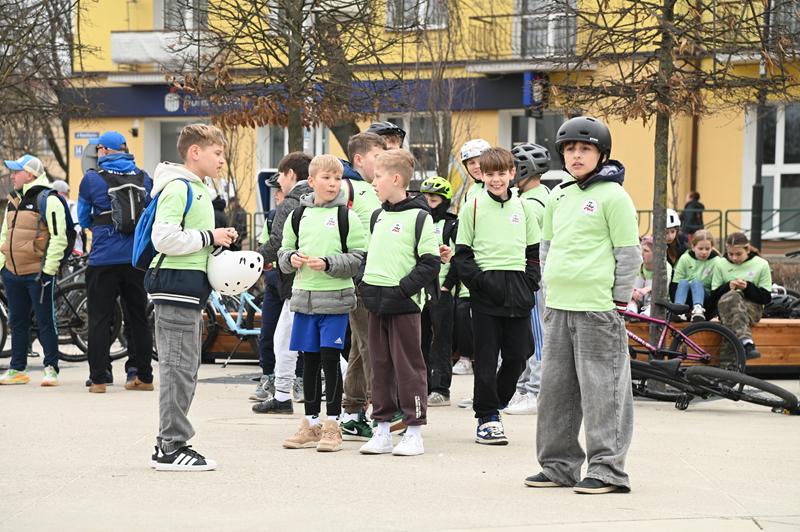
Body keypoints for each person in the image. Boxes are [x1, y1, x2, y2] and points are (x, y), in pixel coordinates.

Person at [528, 116, 641, 494]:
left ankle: (607, 470)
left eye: (585, 149)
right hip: (558, 307)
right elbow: (547, 247)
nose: (576, 155)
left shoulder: (614, 196)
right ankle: (558, 465)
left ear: (601, 154)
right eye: (570, 149)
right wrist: (548, 292)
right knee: (555, 393)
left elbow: (628, 254)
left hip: (597, 310)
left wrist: (617, 301)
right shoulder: (558, 195)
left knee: (603, 393)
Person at [146, 124, 238, 471]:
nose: (222, 161)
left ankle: (170, 444)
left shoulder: (197, 188)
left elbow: (189, 240)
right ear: (195, 152)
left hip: (186, 290)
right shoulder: (178, 187)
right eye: (217, 153)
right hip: (175, 289)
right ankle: (171, 447)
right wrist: (209, 236)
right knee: (178, 370)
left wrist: (215, 240)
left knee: (184, 369)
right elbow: (164, 239)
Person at [278, 154, 366, 452]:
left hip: (336, 301)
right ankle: (311, 423)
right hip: (304, 300)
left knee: (330, 360)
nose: (332, 184)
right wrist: (290, 259)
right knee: (310, 362)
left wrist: (329, 263)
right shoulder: (297, 216)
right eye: (326, 178)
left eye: (337, 178)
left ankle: (333, 424)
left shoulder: (347, 217)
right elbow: (283, 252)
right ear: (311, 181)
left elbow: (358, 257)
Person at [454, 147, 540, 445]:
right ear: (482, 175)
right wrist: (480, 282)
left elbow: (533, 252)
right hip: (485, 292)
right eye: (490, 174)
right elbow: (462, 255)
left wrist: (530, 281)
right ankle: (487, 417)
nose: (496, 179)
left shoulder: (524, 207)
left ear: (512, 173)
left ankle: (498, 401)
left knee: (519, 354)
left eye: (501, 173)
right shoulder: (473, 207)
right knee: (487, 358)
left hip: (518, 288)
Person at [358, 149, 440, 457]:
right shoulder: (377, 216)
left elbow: (430, 263)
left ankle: (414, 431)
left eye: (378, 176)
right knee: (380, 367)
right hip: (376, 304)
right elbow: (370, 255)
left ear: (395, 179)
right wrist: (364, 283)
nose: (373, 182)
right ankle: (381, 430)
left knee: (408, 368)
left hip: (404, 306)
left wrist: (403, 289)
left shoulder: (420, 217)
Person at [78, 131, 155, 392]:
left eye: (98, 149)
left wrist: (101, 228)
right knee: (138, 317)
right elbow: (151, 213)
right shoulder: (143, 177)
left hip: (103, 259)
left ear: (105, 150)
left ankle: (99, 379)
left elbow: (83, 217)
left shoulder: (92, 179)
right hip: (135, 259)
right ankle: (142, 376)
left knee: (100, 318)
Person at [0, 155, 69, 386]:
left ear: (29, 174)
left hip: (38, 274)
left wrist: (48, 271)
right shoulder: (13, 200)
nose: (12, 176)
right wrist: (2, 266)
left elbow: (59, 237)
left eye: (16, 172)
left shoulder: (49, 199)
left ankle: (51, 369)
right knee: (17, 322)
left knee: (45, 321)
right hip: (12, 272)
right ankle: (17, 369)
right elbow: (4, 235)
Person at [253, 152, 312, 414]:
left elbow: (277, 241)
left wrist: (254, 260)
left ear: (290, 174)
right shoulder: (317, 200)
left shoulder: (290, 203)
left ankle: (283, 396)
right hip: (310, 279)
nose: (279, 182)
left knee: (290, 341)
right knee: (286, 339)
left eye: (280, 176)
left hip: (295, 280)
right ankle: (282, 395)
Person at [340, 132, 386, 440]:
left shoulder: (370, 188)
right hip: (359, 275)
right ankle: (381, 406)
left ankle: (353, 411)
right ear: (359, 159)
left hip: (374, 274)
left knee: (360, 344)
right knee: (372, 342)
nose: (381, 164)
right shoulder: (347, 187)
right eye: (376, 158)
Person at [505, 142, 551, 416]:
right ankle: (523, 388)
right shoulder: (543, 196)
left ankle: (536, 392)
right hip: (535, 274)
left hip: (531, 276)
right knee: (529, 334)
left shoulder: (530, 205)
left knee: (536, 334)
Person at [452, 138, 491, 381]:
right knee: (467, 316)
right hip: (472, 266)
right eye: (470, 163)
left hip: (494, 266)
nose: (476, 167)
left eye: (479, 161)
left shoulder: (497, 186)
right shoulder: (470, 193)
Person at [419, 176, 458, 407]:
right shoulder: (418, 220)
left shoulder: (452, 224)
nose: (429, 202)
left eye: (434, 199)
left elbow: (458, 258)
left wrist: (447, 286)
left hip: (442, 291)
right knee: (420, 339)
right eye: (425, 198)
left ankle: (441, 388)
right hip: (419, 290)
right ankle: (422, 385)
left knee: (442, 341)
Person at [709, 232, 771, 361]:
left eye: (738, 254)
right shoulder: (720, 264)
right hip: (725, 306)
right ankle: (746, 342)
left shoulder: (762, 264)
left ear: (747, 250)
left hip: (753, 307)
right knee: (732, 297)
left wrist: (747, 288)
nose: (734, 258)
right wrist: (728, 286)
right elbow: (713, 297)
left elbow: (765, 298)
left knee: (730, 319)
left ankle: (727, 370)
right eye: (730, 254)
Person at [251, 174, 285, 401]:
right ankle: (268, 376)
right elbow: (264, 246)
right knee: (268, 333)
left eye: (279, 190)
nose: (276, 195)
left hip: (294, 284)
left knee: (294, 337)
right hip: (274, 283)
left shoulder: (302, 213)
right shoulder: (272, 217)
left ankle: (298, 379)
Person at [671, 229, 720, 321]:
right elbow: (675, 283)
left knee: (696, 282)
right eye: (700, 249)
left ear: (712, 247)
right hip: (686, 297)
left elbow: (716, 288)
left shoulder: (717, 261)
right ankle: (678, 309)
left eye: (707, 249)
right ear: (693, 247)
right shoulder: (685, 258)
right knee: (683, 282)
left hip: (706, 299)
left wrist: (714, 313)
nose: (704, 252)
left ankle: (698, 310)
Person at [626, 235, 672, 317]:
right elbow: (628, 282)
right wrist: (633, 292)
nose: (641, 253)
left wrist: (645, 290)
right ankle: (632, 311)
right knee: (638, 281)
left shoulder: (665, 266)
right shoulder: (638, 264)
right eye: (641, 250)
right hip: (639, 298)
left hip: (656, 302)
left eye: (646, 251)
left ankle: (647, 312)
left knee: (651, 282)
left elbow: (663, 285)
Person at [52, 179, 83, 254]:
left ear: (59, 193)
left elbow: (77, 229)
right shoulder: (57, 207)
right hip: (62, 251)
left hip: (74, 251)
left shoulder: (73, 207)